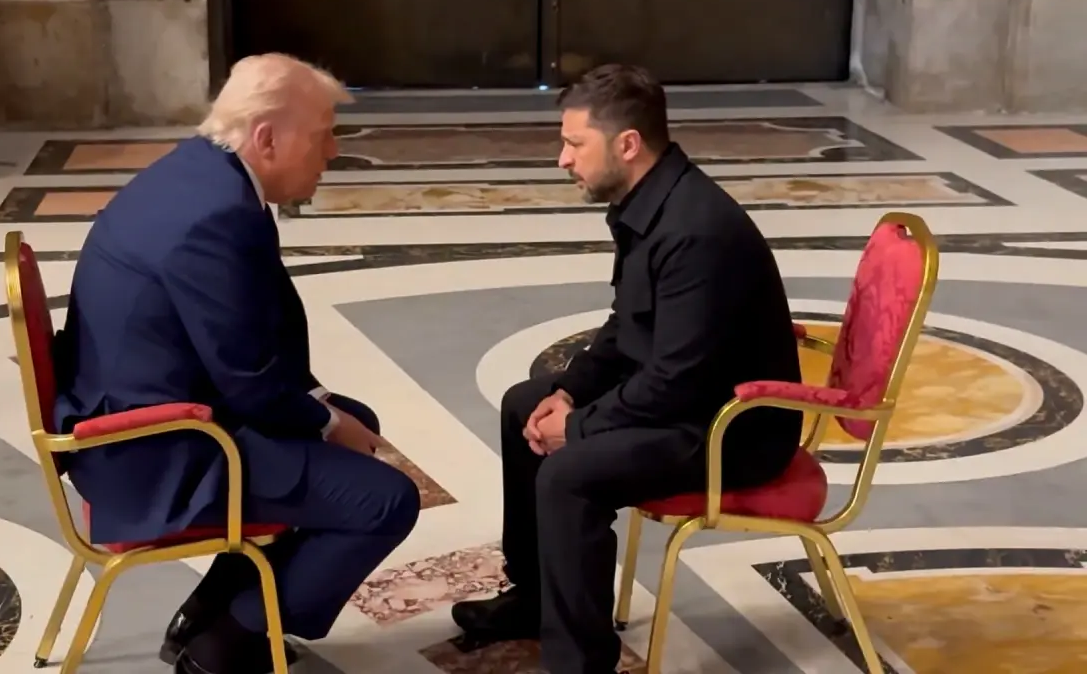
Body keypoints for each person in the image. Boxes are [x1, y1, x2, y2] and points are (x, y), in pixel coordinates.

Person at [52, 53, 421, 674]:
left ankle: (209, 611)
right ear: (266, 138)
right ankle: (227, 646)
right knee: (384, 501)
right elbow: (248, 379)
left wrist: (325, 410)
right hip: (157, 448)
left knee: (355, 422)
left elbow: (244, 344)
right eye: (323, 134)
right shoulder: (215, 215)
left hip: (151, 410)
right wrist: (326, 422)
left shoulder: (200, 174)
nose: (333, 151)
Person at [450, 64, 804, 674]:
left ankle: (581, 663)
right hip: (687, 399)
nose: (562, 159)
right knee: (522, 404)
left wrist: (578, 428)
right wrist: (569, 392)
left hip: (731, 428)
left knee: (569, 475)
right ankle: (536, 598)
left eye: (574, 143)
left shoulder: (695, 232)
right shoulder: (649, 204)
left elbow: (677, 382)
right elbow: (628, 327)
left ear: (628, 144)